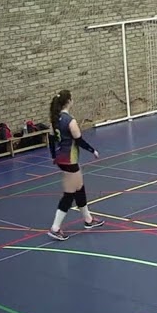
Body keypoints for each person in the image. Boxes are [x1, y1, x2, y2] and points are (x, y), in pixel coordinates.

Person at [47, 89, 104, 241]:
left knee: (79, 188)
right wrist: (93, 150)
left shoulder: (54, 119)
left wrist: (53, 155)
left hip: (61, 159)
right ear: (69, 101)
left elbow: (51, 139)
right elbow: (78, 140)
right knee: (69, 194)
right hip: (70, 160)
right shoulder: (70, 120)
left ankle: (88, 220)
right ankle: (55, 228)